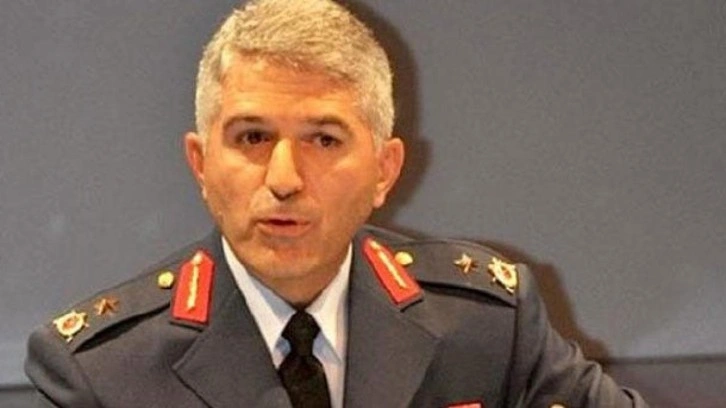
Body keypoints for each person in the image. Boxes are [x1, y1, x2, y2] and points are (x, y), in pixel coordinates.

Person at [25, 0, 647, 407]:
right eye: (252, 138)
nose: (285, 178)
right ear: (201, 164)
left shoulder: (489, 326)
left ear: (384, 170)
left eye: (324, 140)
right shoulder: (102, 374)